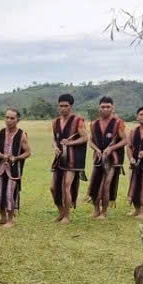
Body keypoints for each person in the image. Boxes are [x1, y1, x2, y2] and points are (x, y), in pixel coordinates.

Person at [87, 96, 128, 220]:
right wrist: (97, 149)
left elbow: (126, 140)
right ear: (99, 108)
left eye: (108, 107)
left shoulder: (118, 123)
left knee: (106, 184)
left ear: (112, 108)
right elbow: (91, 141)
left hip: (113, 159)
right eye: (103, 107)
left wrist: (112, 148)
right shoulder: (93, 124)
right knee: (95, 183)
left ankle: (104, 212)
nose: (105, 109)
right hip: (99, 159)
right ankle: (96, 210)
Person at [50, 93, 88, 224]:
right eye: (61, 106)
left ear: (71, 106)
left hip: (73, 159)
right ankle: (61, 212)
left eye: (66, 106)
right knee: (53, 187)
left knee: (66, 185)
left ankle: (67, 216)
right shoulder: (55, 122)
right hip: (60, 158)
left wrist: (70, 143)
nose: (63, 108)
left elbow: (85, 138)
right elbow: (55, 139)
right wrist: (55, 147)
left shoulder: (78, 121)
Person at [0, 108, 31, 227]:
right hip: (1, 168)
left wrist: (16, 158)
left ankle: (11, 220)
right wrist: (2, 155)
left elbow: (28, 152)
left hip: (14, 170)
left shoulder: (21, 135)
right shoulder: (1, 133)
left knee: (10, 193)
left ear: (18, 120)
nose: (8, 120)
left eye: (12, 118)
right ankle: (3, 217)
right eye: (7, 117)